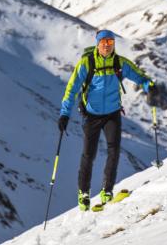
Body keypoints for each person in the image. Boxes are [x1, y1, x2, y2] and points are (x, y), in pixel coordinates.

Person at [58, 29, 157, 210]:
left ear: (113, 44)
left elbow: (139, 76)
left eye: (110, 43)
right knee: (89, 154)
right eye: (103, 42)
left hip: (112, 114)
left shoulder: (120, 63)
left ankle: (107, 191)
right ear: (97, 44)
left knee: (114, 150)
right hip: (91, 115)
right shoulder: (86, 64)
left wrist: (149, 85)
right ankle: (84, 193)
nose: (106, 46)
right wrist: (64, 114)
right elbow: (71, 89)